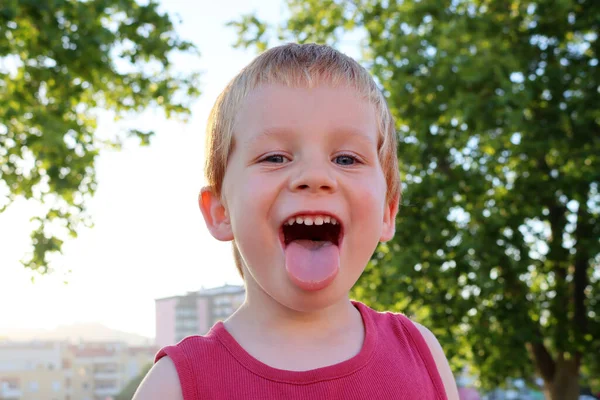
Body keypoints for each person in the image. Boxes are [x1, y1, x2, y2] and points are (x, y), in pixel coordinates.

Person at [133, 43, 459, 400]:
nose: (315, 176)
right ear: (220, 212)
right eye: (275, 157)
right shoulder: (174, 386)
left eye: (347, 159)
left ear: (386, 212)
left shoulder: (421, 352)